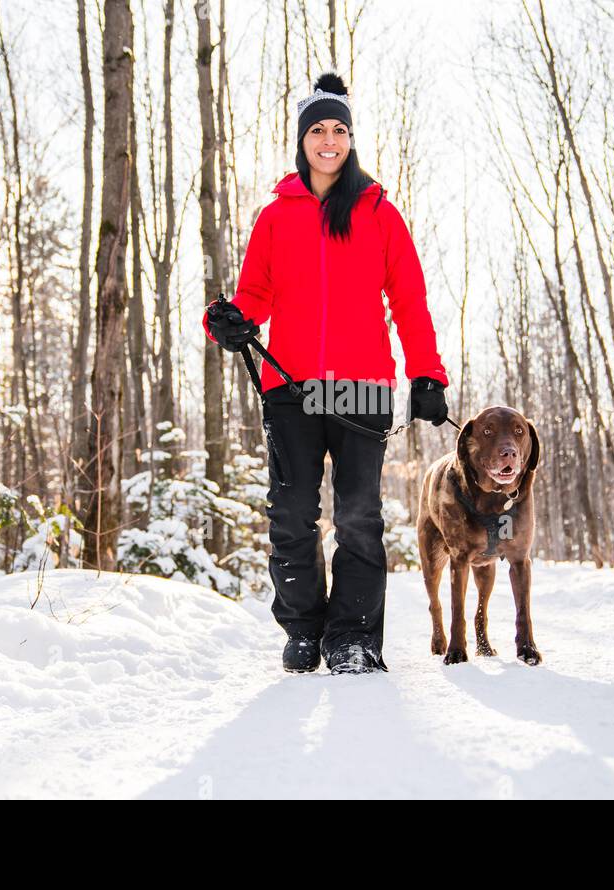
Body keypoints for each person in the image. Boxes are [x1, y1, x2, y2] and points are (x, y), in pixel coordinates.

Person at [203, 72, 449, 675]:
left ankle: (355, 638)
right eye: (319, 129)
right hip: (289, 386)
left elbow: (409, 301)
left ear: (351, 139)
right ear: (302, 140)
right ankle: (305, 630)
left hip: (362, 388)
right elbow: (253, 294)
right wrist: (227, 323)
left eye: (340, 129)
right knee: (291, 513)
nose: (330, 139)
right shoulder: (275, 217)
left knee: (360, 515)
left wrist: (427, 375)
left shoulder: (378, 214)